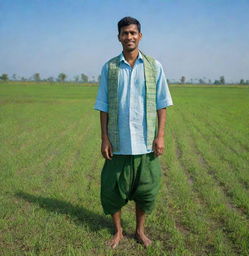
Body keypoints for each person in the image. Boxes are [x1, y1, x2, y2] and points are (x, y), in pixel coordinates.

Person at [94, 16, 173, 248]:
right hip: (118, 143)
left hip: (146, 142)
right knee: (111, 189)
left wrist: (160, 136)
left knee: (145, 189)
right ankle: (118, 231)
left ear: (140, 36)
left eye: (133, 33)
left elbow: (162, 103)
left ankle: (139, 231)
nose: (129, 37)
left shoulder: (154, 66)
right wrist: (104, 138)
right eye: (125, 33)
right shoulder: (109, 68)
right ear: (118, 37)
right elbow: (103, 105)